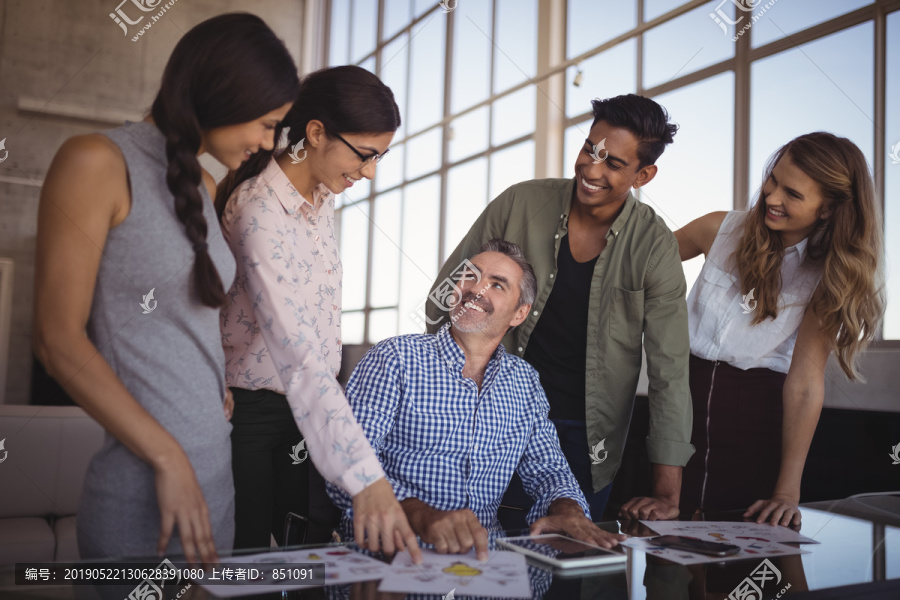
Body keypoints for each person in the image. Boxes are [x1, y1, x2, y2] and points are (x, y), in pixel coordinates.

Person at [32, 14, 299, 560]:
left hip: (213, 480)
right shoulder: (95, 162)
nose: (270, 142)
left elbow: (186, 321)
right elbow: (55, 341)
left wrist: (211, 380)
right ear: (223, 93)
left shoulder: (202, 185)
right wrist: (167, 456)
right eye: (267, 123)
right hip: (145, 489)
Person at [427, 94, 694, 522]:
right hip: (492, 417)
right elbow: (444, 296)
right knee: (474, 561)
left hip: (589, 437)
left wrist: (667, 494)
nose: (592, 169)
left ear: (644, 174)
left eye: (613, 164)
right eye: (591, 149)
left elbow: (670, 370)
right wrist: (448, 397)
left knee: (570, 572)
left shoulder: (654, 245)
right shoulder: (520, 204)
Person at [215, 65, 420, 561]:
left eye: (380, 157)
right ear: (316, 133)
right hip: (254, 413)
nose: (370, 171)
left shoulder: (320, 197)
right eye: (366, 155)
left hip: (306, 411)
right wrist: (365, 479)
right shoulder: (257, 211)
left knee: (300, 559)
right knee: (249, 566)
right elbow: (295, 347)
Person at [329, 240, 626, 559]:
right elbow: (345, 466)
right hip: (388, 554)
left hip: (484, 558)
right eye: (469, 276)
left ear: (519, 313)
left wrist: (567, 508)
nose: (476, 289)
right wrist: (419, 515)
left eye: (497, 284)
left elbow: (547, 466)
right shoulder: (394, 358)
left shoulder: (524, 381)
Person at [674, 132, 883, 526]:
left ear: (827, 209)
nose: (771, 197)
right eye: (773, 180)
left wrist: (786, 492)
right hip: (677, 408)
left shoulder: (827, 277)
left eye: (793, 194)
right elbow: (636, 266)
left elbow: (804, 383)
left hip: (755, 425)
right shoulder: (718, 228)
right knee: (665, 556)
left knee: (736, 568)